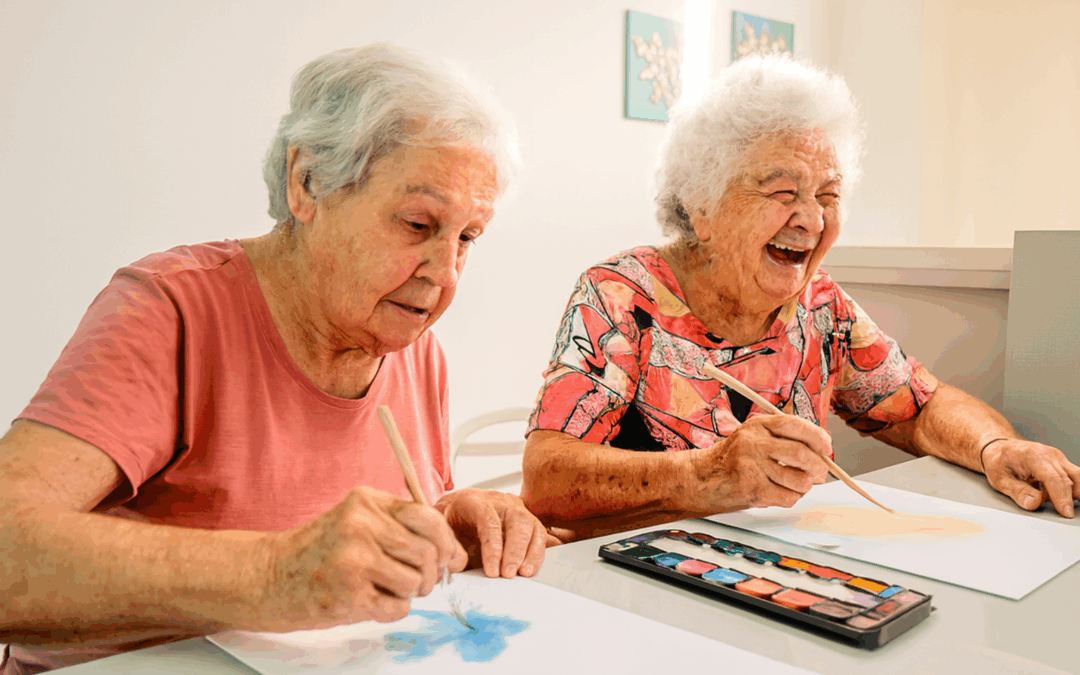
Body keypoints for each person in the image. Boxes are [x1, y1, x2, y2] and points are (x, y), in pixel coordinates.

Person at [0, 44, 554, 673]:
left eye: (468, 238)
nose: (445, 273)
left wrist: (449, 524)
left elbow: (361, 530)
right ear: (307, 183)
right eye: (417, 224)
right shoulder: (172, 311)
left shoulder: (413, 346)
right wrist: (272, 573)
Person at [522, 55, 1080, 542]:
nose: (812, 219)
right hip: (623, 582)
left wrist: (995, 449)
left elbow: (920, 403)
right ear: (701, 207)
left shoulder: (817, 306)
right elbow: (546, 478)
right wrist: (708, 475)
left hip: (764, 576)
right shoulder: (621, 295)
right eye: (783, 192)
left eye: (828, 195)